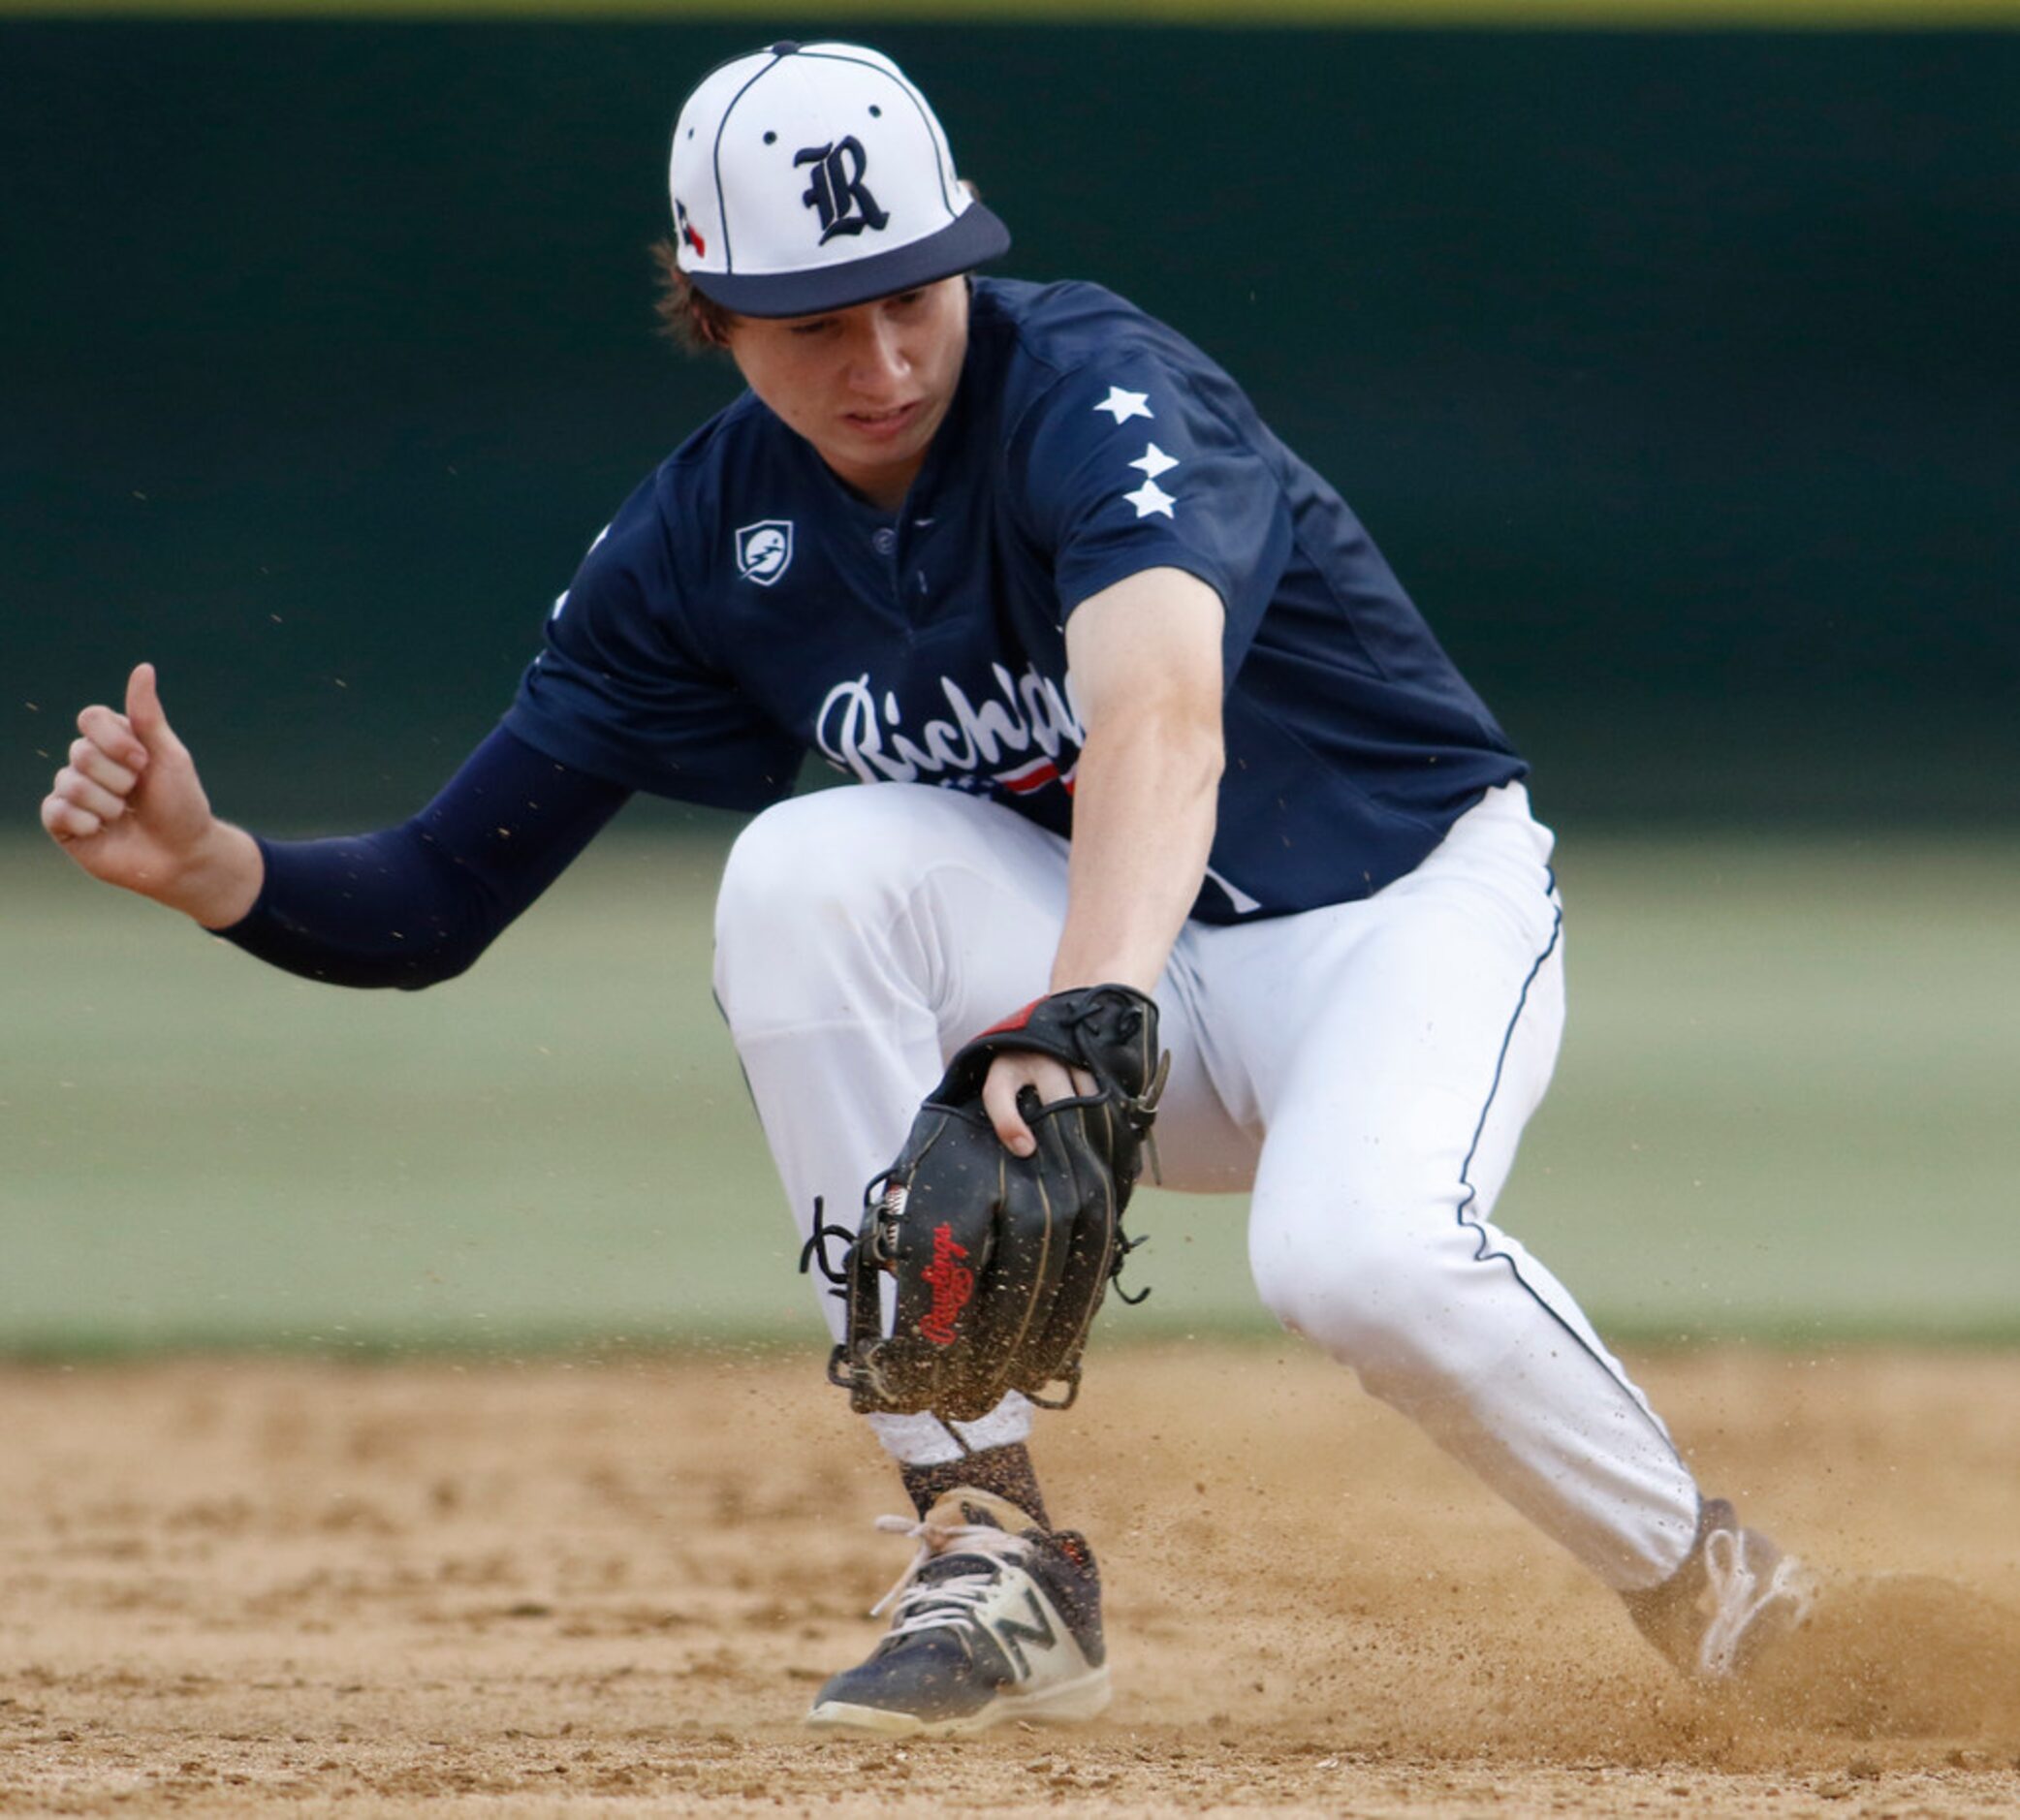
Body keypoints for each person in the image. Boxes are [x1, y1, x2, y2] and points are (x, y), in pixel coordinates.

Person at [42, 40, 1813, 1737]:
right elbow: (437, 898)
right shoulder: (697, 543)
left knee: (1354, 1259)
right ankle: (989, 1544)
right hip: (1129, 985)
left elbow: (1162, 717)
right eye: (818, 321)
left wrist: (1078, 1006)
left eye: (918, 289)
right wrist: (211, 869)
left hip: (1399, 915)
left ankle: (1722, 1588)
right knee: (800, 871)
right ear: (709, 307)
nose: (885, 354)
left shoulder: (1102, 396)